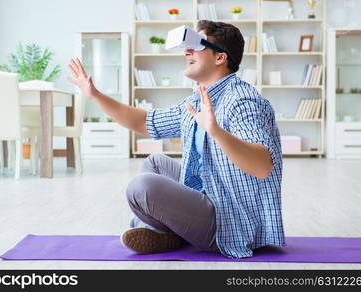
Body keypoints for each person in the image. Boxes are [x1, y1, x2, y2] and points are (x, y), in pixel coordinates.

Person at [67, 20, 286, 258]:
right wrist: (95, 95)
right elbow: (145, 122)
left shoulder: (242, 101)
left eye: (196, 45)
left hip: (232, 222)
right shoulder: (198, 100)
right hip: (212, 195)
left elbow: (263, 166)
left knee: (141, 188)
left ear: (220, 58)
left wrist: (216, 131)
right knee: (155, 163)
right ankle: (165, 233)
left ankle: (163, 232)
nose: (187, 51)